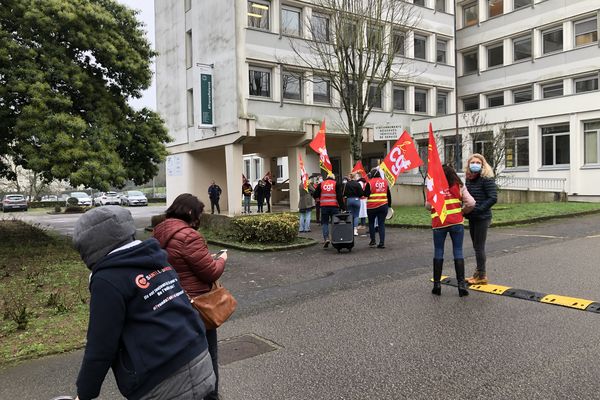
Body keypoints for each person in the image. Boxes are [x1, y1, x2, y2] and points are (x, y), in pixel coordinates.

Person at [72, 206, 215, 400]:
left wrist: (85, 393)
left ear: (89, 247)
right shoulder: (156, 256)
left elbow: (101, 345)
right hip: (200, 358)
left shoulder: (107, 279)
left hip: (161, 380)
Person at [153, 194, 227, 400]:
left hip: (171, 302)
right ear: (189, 212)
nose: (199, 218)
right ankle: (211, 396)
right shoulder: (189, 236)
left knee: (184, 358)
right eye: (199, 213)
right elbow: (210, 272)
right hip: (197, 307)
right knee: (208, 354)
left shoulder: (159, 230)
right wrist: (221, 259)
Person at [427, 164, 476, 297]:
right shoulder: (459, 185)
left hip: (439, 223)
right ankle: (461, 286)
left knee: (438, 251)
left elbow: (428, 205)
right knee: (458, 251)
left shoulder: (433, 186)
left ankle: (437, 285)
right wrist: (462, 211)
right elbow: (471, 203)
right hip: (456, 222)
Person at [464, 153, 498, 285]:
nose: (475, 165)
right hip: (473, 216)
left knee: (479, 247)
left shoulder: (486, 178)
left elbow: (493, 198)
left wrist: (478, 209)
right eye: (473, 162)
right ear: (469, 165)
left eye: (478, 163)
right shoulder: (469, 178)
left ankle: (482, 276)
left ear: (483, 165)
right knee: (476, 246)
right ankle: (478, 273)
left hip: (482, 217)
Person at [313, 173, 344, 248]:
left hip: (324, 206)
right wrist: (343, 207)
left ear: (326, 177)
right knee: (335, 223)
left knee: (325, 223)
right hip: (334, 206)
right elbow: (339, 196)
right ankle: (335, 238)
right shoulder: (336, 184)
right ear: (333, 177)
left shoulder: (321, 184)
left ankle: (326, 238)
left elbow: (315, 194)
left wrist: (318, 198)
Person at [365, 169, 392, 248]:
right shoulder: (385, 182)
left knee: (371, 223)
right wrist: (389, 206)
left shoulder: (369, 183)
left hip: (372, 207)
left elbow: (366, 194)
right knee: (381, 224)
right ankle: (382, 243)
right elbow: (389, 195)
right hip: (383, 206)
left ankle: (373, 241)